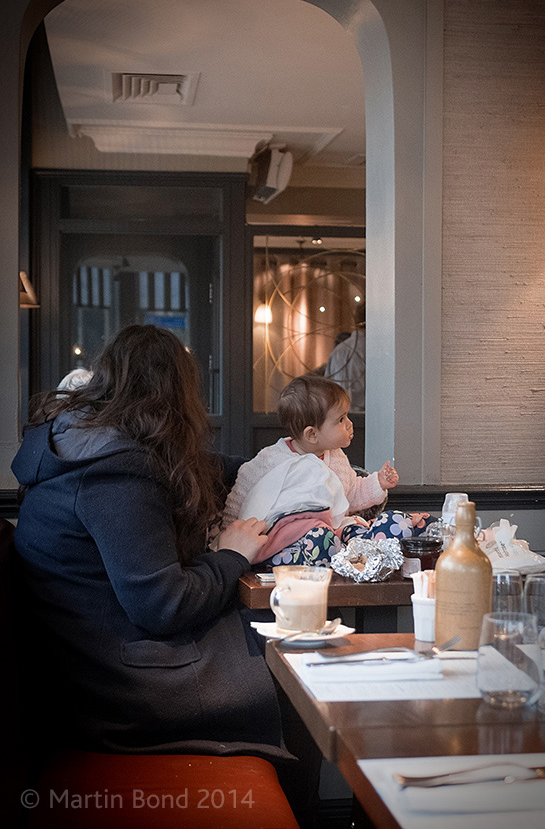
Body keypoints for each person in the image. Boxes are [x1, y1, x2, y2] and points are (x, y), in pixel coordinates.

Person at [11, 325, 293, 765]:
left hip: (91, 660)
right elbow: (165, 605)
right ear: (177, 395)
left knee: (285, 645)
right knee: (296, 670)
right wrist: (232, 556)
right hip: (120, 689)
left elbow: (209, 466)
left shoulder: (85, 440)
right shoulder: (114, 475)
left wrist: (292, 465)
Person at [214, 375, 430, 568]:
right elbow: (241, 496)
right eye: (341, 420)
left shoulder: (336, 457)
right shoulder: (270, 460)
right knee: (319, 538)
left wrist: (378, 483)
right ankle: (353, 556)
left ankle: (370, 548)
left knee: (384, 523)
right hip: (286, 541)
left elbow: (350, 493)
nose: (350, 424)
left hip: (336, 531)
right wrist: (228, 535)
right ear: (312, 434)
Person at [324, 302, 365, 411]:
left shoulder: (339, 350)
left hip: (340, 413)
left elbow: (328, 386)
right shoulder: (373, 351)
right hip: (366, 414)